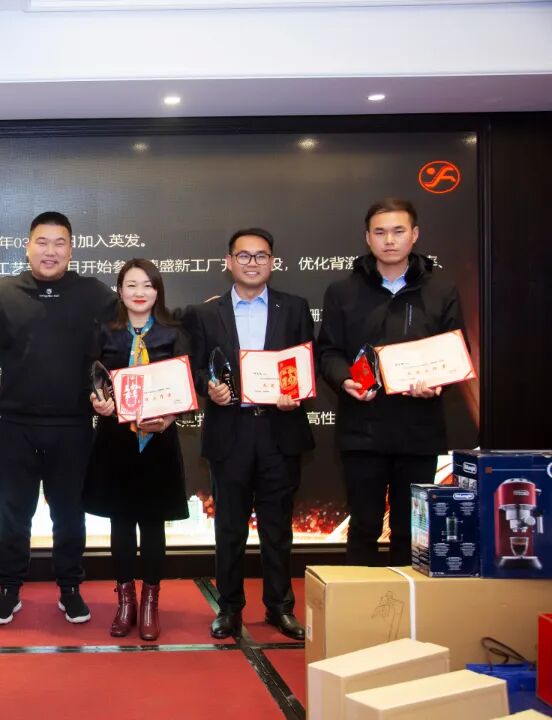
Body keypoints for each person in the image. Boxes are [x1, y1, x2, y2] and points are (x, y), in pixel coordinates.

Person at [0, 211, 116, 626]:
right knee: (15, 514)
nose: (50, 251)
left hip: (73, 425)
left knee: (69, 514)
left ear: (71, 249)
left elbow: (130, 335)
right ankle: (9, 589)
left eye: (59, 243)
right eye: (42, 242)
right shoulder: (4, 293)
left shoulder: (94, 294)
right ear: (27, 247)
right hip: (16, 425)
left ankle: (70, 588)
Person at [317, 198, 464, 566]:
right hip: (362, 429)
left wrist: (438, 382)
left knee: (410, 530)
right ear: (368, 238)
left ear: (414, 235)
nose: (389, 240)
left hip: (419, 429)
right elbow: (328, 352)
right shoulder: (342, 292)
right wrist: (345, 380)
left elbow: (453, 352)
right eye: (380, 232)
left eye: (398, 231)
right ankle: (360, 601)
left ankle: (405, 602)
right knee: (364, 526)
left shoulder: (441, 291)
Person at [186, 227, 314, 641]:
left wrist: (296, 394)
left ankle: (280, 607)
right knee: (230, 528)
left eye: (261, 255)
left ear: (272, 262)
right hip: (231, 431)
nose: (252, 262)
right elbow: (196, 367)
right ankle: (229, 608)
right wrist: (210, 387)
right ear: (229, 262)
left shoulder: (294, 308)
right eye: (244, 255)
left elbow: (304, 362)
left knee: (278, 528)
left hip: (280, 429)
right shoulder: (206, 313)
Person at [85, 259, 190, 641]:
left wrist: (170, 417)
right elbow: (91, 381)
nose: (139, 292)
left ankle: (149, 603)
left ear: (157, 290)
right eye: (131, 285)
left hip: (159, 442)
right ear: (120, 290)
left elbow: (185, 386)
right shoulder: (105, 332)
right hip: (116, 442)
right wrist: (98, 403)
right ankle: (125, 601)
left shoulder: (173, 333)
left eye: (147, 285)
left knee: (153, 524)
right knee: (121, 523)